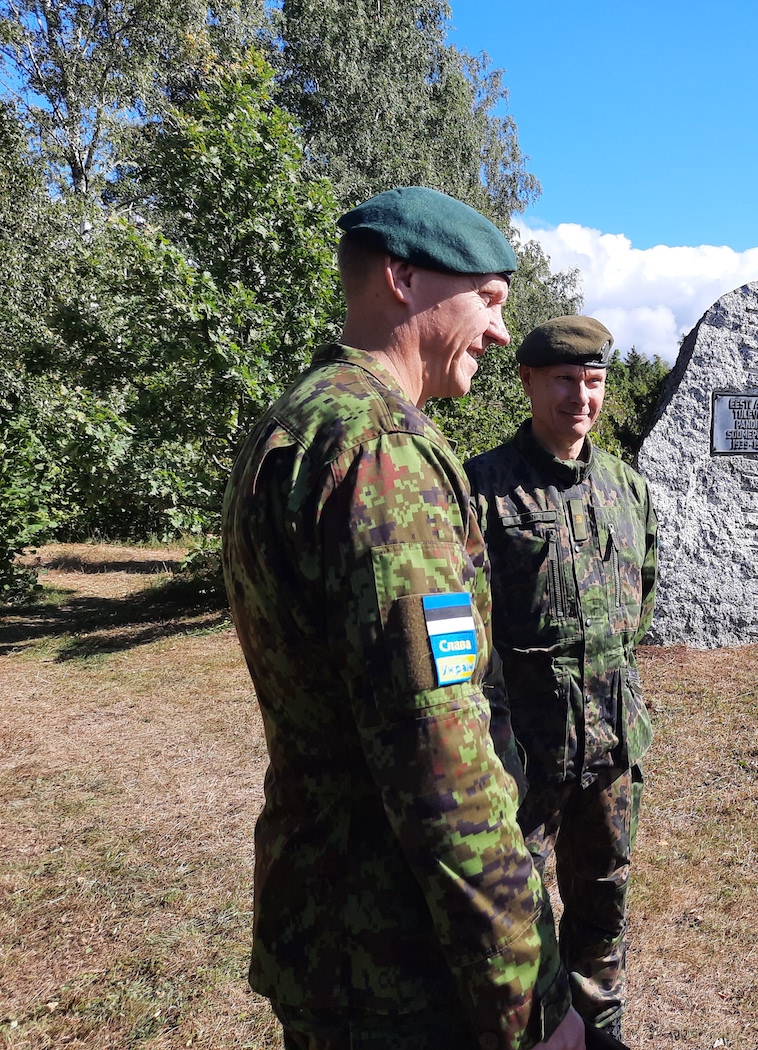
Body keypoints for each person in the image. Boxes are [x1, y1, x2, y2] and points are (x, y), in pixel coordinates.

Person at [222, 186, 585, 1050]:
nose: (501, 333)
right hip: (400, 962)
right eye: (489, 300)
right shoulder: (383, 449)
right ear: (403, 278)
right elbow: (443, 764)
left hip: (324, 931)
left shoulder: (291, 425)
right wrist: (529, 999)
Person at [465, 316, 657, 1041]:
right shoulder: (483, 489)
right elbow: (467, 639)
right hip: (524, 756)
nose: (582, 397)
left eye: (595, 382)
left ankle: (602, 1026)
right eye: (565, 381)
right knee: (515, 908)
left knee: (604, 894)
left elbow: (640, 602)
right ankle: (536, 1032)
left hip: (610, 746)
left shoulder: (627, 488)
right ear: (529, 382)